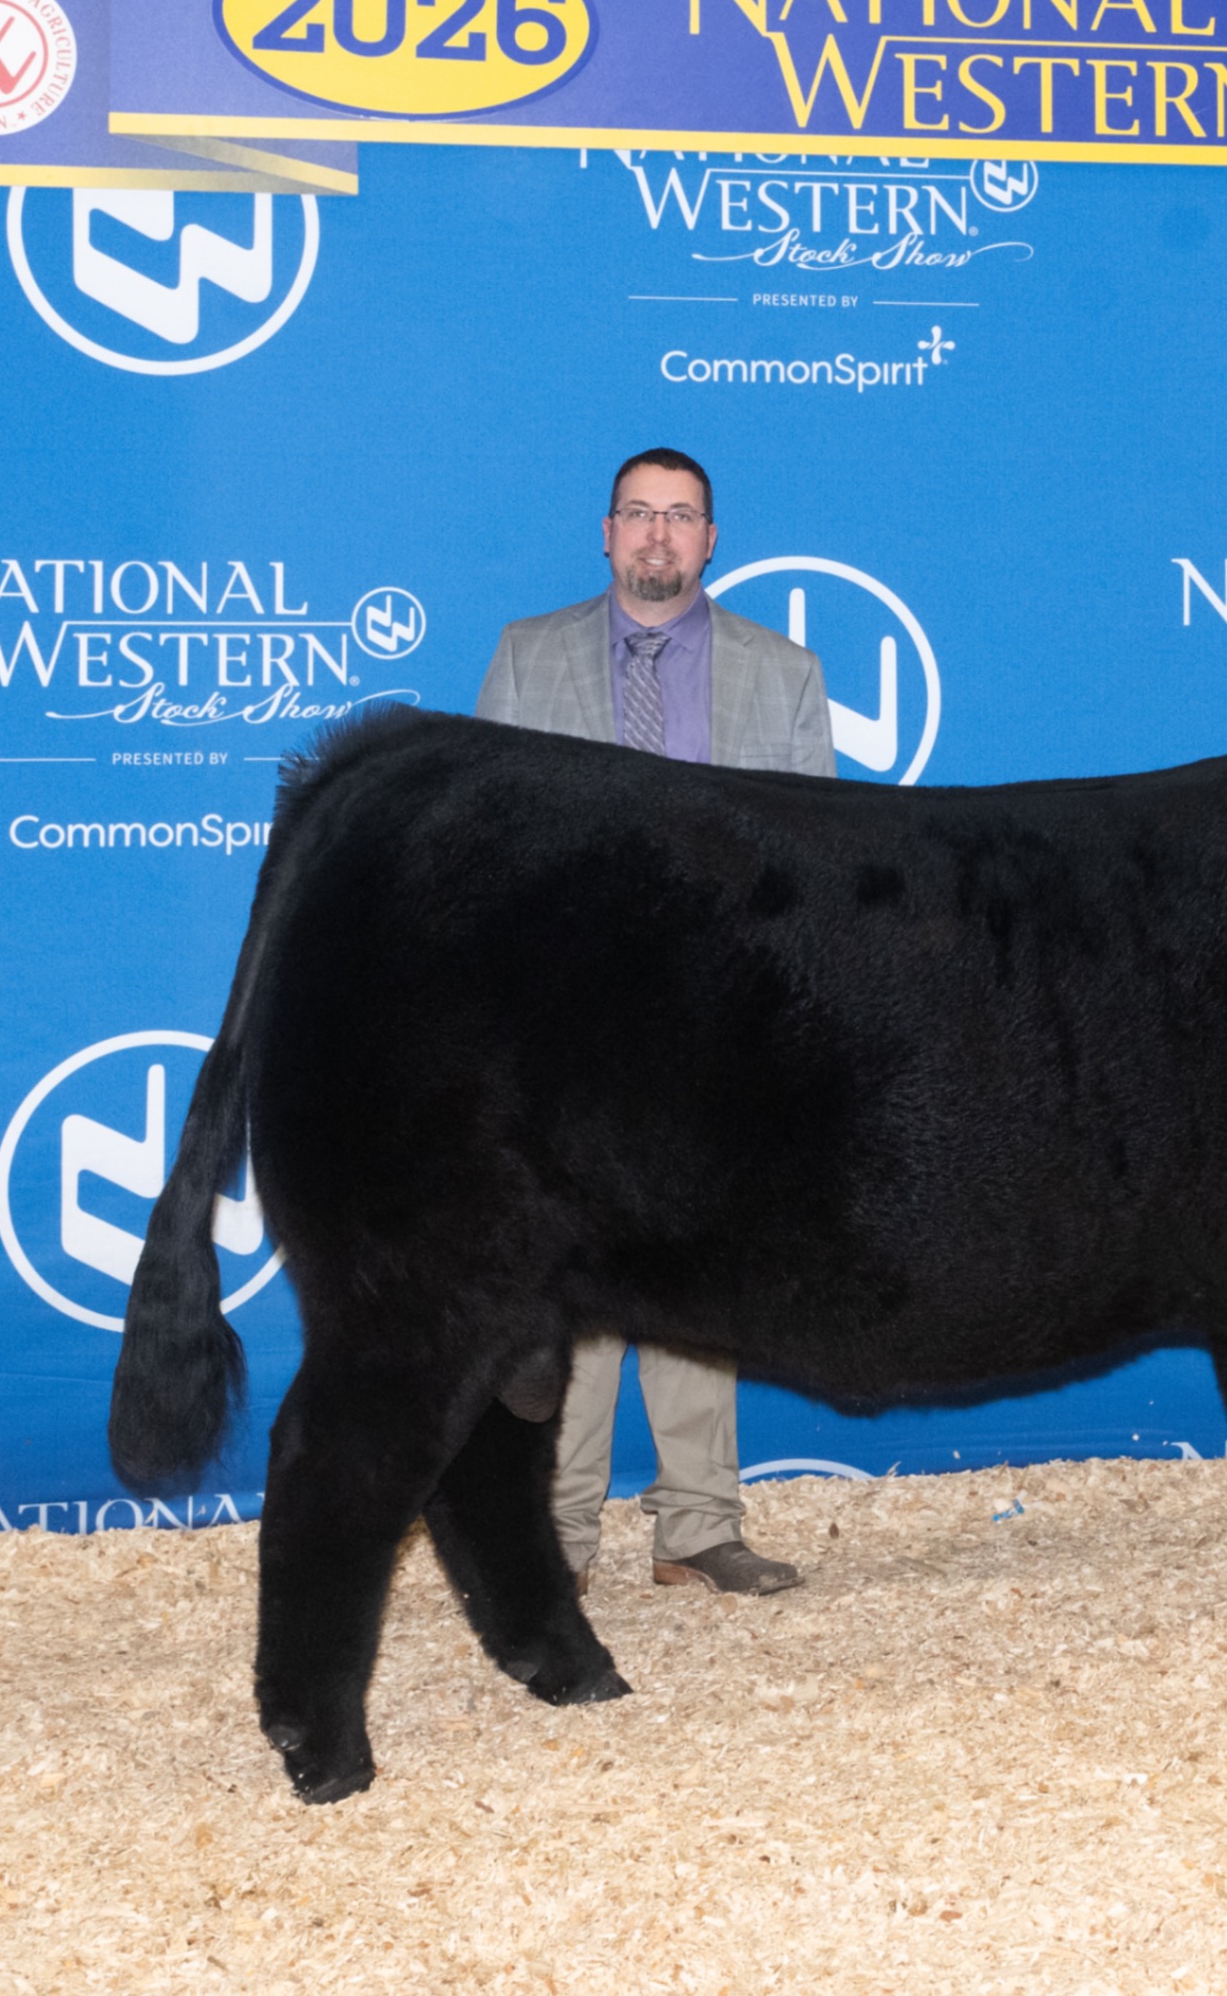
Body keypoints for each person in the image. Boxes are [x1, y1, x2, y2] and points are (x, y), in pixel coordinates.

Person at [475, 446, 829, 1598]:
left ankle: (697, 1530)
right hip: (566, 1031)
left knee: (699, 1271)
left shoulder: (783, 675)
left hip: (717, 1027)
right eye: (639, 514)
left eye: (681, 517)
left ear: (712, 540)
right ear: (607, 530)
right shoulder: (527, 657)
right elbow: (488, 853)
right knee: (568, 1277)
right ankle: (559, 1539)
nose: (659, 536)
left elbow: (815, 860)